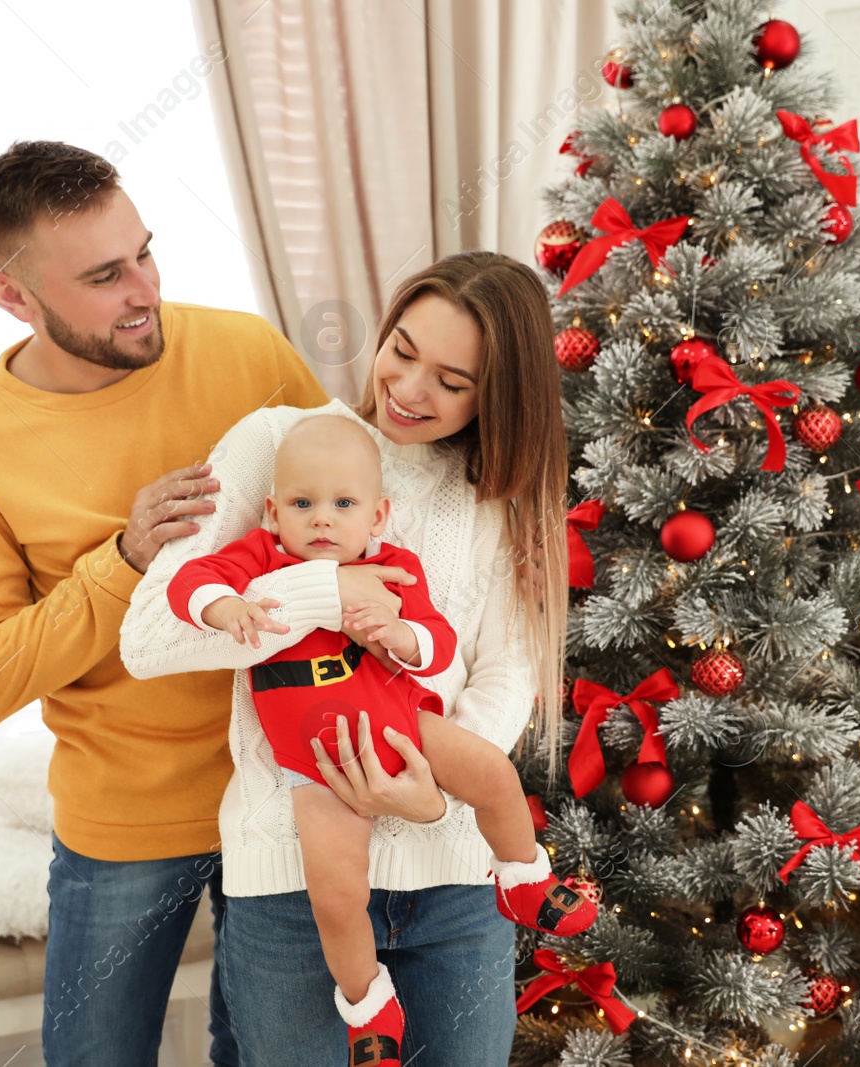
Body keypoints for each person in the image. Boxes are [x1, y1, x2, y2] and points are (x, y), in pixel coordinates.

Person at [0, 140, 327, 1066]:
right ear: (12, 297)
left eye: (144, 251)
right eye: (105, 275)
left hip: (283, 790)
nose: (144, 288)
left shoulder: (246, 351)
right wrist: (127, 557)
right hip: (123, 821)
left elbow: (354, 516)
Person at [120, 251, 569, 1066]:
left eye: (452, 380)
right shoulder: (277, 443)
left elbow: (507, 669)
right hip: (293, 881)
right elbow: (148, 638)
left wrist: (426, 789)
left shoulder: (497, 495)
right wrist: (332, 590)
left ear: (496, 395)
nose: (407, 388)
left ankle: (528, 872)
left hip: (458, 883)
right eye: (401, 348)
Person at [164, 414, 593, 1061]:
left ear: (378, 513)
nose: (323, 520)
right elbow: (186, 583)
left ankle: (522, 873)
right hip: (318, 770)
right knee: (336, 894)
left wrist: (401, 635)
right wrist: (226, 608)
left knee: (495, 776)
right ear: (274, 512)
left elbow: (438, 642)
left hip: (409, 731)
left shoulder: (394, 566)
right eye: (303, 504)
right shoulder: (261, 559)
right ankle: (368, 1002)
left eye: (343, 504)